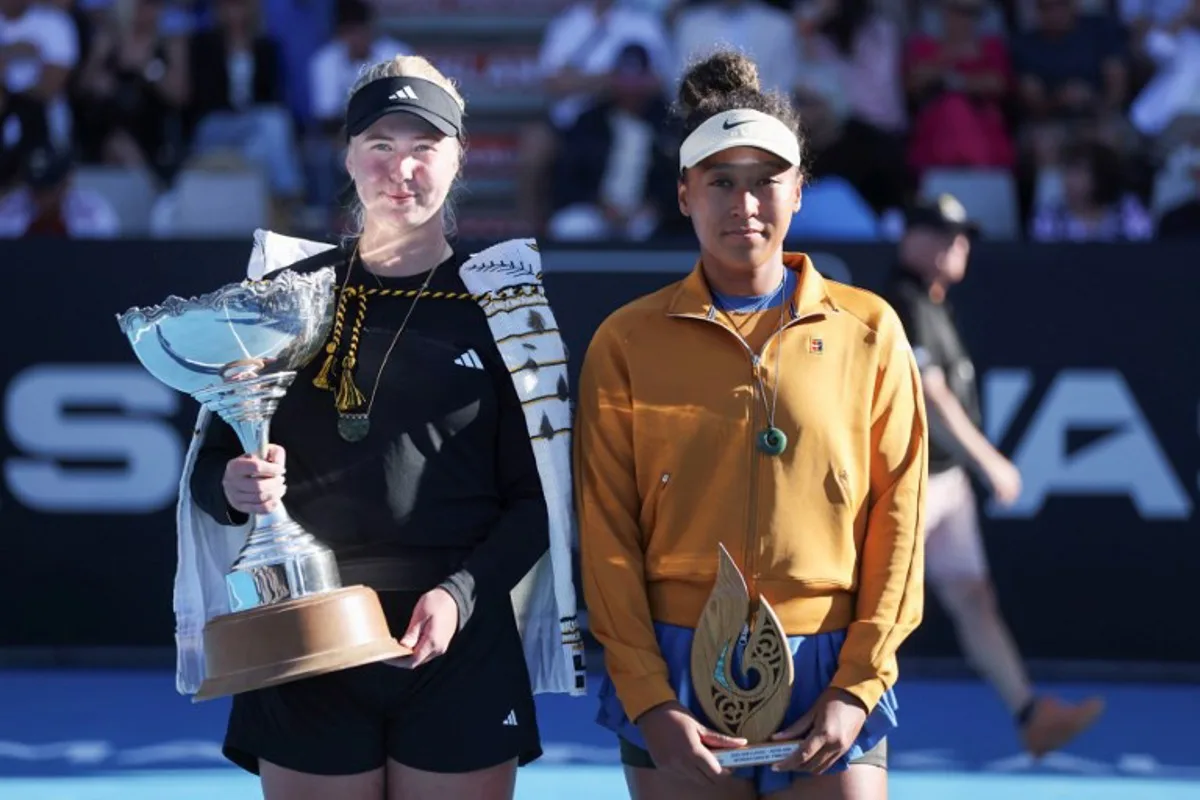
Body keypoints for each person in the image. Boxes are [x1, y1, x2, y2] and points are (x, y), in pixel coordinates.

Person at [176, 54, 584, 800]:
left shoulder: (508, 311)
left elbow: (541, 501)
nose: (403, 169)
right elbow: (205, 475)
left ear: (458, 159)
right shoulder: (282, 299)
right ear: (349, 157)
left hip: (458, 643)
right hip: (307, 639)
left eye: (425, 147)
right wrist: (235, 486)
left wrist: (459, 594)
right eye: (381, 146)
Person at [575, 50, 928, 800]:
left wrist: (856, 684)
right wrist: (648, 695)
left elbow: (899, 520)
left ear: (799, 191)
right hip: (674, 663)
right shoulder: (627, 340)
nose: (745, 205)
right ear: (683, 193)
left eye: (765, 180)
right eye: (720, 182)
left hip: (832, 663)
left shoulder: (871, 330)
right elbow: (606, 532)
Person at [881, 194, 1105, 758]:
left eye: (963, 235)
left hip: (947, 484)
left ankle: (1032, 716)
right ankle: (823, 721)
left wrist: (970, 467)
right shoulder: (900, 301)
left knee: (972, 596)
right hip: (909, 482)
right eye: (943, 232)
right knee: (878, 608)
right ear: (912, 237)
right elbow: (930, 397)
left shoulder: (937, 305)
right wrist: (990, 461)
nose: (959, 245)